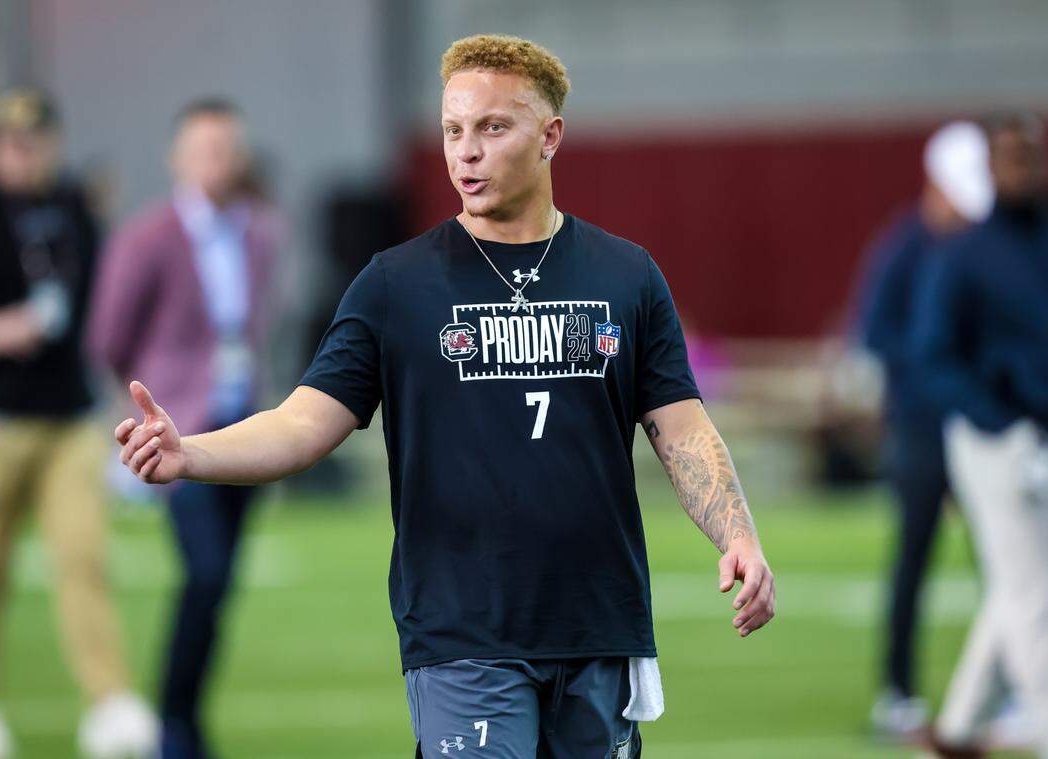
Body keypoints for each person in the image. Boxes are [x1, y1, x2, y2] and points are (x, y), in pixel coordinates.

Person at [114, 36, 776, 757]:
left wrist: (738, 535)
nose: (467, 152)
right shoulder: (395, 284)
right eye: (453, 130)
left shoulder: (627, 275)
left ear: (550, 136)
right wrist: (191, 453)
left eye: (492, 127)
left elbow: (682, 429)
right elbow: (303, 422)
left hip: (599, 625)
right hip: (462, 635)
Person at [0, 88, 156, 759]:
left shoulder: (75, 207)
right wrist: (1, 330)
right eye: (10, 142)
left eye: (33, 141)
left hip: (68, 418)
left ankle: (109, 701)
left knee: (83, 557)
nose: (21, 154)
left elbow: (103, 303)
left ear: (52, 142)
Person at [88, 98, 282, 759]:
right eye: (203, 149)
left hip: (246, 425)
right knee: (205, 572)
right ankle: (173, 726)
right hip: (180, 431)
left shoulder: (261, 233)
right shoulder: (147, 237)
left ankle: (187, 723)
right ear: (178, 158)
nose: (216, 162)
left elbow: (256, 328)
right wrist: (145, 410)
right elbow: (108, 338)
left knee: (220, 582)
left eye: (227, 149)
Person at [915, 111, 1048, 758]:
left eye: (1033, 156)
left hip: (1041, 435)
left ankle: (961, 728)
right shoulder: (966, 254)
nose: (1025, 169)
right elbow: (931, 352)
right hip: (992, 440)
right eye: (1013, 158)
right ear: (992, 168)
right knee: (1031, 590)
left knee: (1020, 586)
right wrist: (995, 417)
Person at [857, 121, 993, 738]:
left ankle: (1009, 686)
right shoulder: (905, 247)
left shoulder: (987, 247)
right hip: (920, 429)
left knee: (1004, 562)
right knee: (913, 557)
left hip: (983, 428)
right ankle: (899, 690)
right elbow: (877, 332)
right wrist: (933, 375)